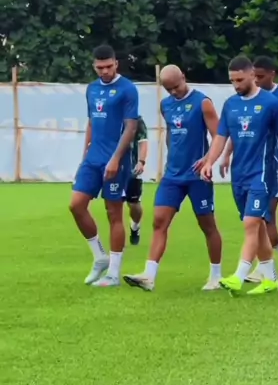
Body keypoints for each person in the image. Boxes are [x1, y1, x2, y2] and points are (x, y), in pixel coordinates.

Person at [123, 65, 223, 292]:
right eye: (169, 89)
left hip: (197, 176)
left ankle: (216, 276)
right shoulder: (165, 105)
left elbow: (219, 135)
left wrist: (208, 160)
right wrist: (171, 159)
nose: (174, 92)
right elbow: (170, 133)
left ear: (184, 78)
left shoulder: (203, 103)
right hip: (173, 175)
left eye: (176, 87)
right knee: (159, 221)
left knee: (207, 225)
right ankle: (149, 276)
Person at [201, 55, 278, 296]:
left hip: (262, 174)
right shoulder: (231, 104)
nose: (236, 85)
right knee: (258, 227)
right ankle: (270, 279)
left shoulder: (271, 103)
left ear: (252, 75)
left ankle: (239, 276)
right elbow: (221, 137)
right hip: (239, 175)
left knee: (251, 223)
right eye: (232, 81)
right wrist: (210, 162)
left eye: (240, 80)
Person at [69, 44, 139, 287]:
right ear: (94, 66)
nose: (105, 71)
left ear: (116, 64)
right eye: (100, 67)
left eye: (109, 66)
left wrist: (116, 159)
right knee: (76, 205)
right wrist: (83, 158)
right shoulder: (92, 89)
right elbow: (91, 123)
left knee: (113, 213)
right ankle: (100, 257)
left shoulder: (127, 89)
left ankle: (114, 274)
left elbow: (131, 127)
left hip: (116, 159)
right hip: (93, 158)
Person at [124, 116, 149, 245]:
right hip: (114, 169)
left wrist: (141, 161)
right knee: (113, 205)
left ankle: (135, 227)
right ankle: (116, 244)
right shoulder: (111, 116)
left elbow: (143, 142)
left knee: (133, 204)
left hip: (131, 169)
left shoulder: (137, 120)